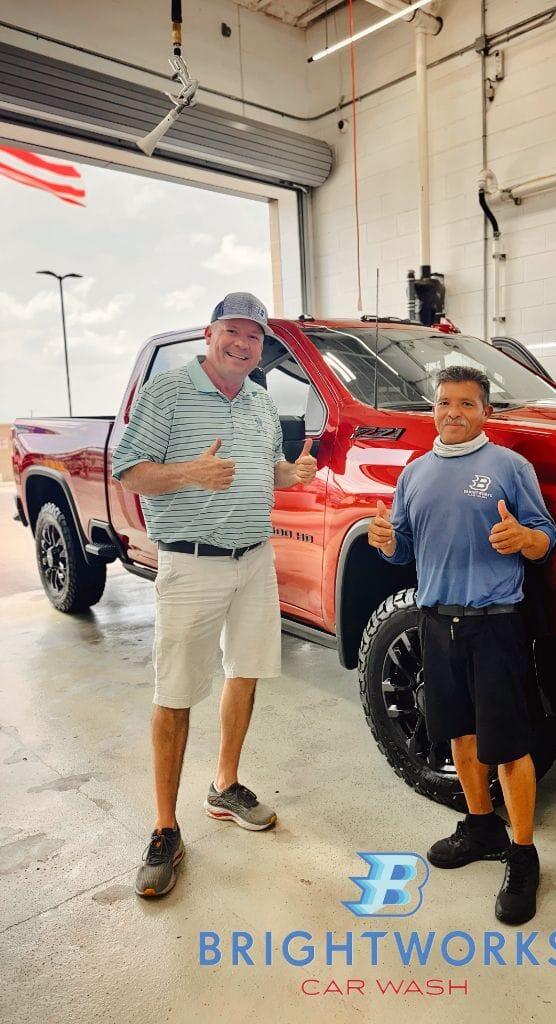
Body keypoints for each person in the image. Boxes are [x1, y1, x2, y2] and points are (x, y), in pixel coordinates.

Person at [112, 292, 317, 898]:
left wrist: (292, 475)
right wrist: (186, 474)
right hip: (191, 564)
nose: (243, 345)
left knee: (245, 673)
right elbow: (129, 469)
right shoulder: (168, 393)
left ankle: (224, 784)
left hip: (255, 560)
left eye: (253, 338)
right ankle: (165, 827)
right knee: (175, 693)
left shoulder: (258, 400)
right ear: (210, 334)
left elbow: (267, 470)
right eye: (233, 332)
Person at [367, 365, 556, 926]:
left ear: (485, 412)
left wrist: (525, 538)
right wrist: (384, 540)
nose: (453, 412)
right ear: (434, 409)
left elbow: (545, 536)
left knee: (509, 746)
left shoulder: (508, 467)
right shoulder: (416, 473)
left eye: (466, 404)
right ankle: (480, 827)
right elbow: (401, 549)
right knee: (459, 734)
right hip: (435, 620)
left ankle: (523, 855)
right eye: (444, 402)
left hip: (494, 623)